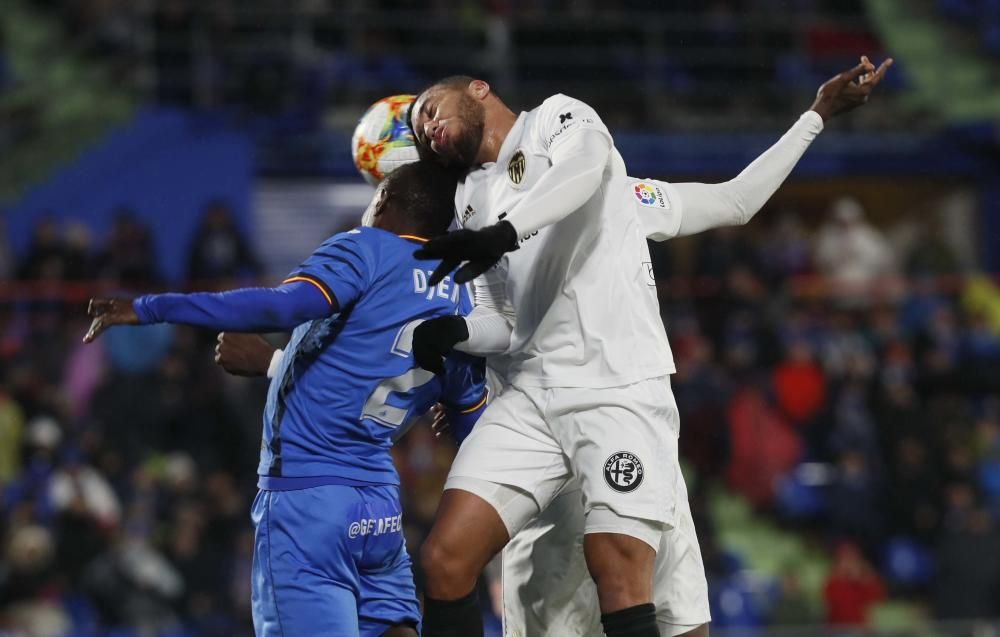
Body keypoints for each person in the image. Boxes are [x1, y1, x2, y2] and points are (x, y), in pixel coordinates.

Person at [404, 55, 892, 637]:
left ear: (478, 88)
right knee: (445, 560)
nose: (426, 126)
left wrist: (815, 115)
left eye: (430, 107)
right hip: (529, 398)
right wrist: (455, 334)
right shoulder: (468, 205)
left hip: (617, 390)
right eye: (417, 129)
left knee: (634, 578)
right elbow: (503, 321)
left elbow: (725, 199)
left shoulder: (567, 130)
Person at [81, 161, 489, 637]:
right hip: (378, 505)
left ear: (381, 203)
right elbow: (470, 427)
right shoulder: (464, 296)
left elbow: (284, 305)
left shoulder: (368, 250)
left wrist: (151, 307)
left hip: (307, 502)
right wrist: (277, 366)